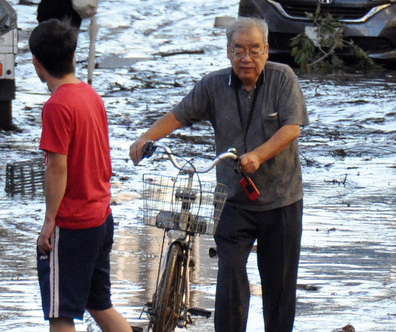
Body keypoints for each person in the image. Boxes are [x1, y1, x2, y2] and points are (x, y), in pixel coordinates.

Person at [129, 17, 309, 332]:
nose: (246, 58)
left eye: (254, 50)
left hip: (281, 200)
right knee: (230, 273)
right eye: (238, 50)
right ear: (228, 51)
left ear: (266, 51)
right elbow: (179, 115)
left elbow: (292, 128)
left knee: (279, 286)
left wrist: (258, 154)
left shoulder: (284, 79)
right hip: (232, 199)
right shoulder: (213, 85)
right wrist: (146, 138)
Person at [31, 20, 132, 332]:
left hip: (73, 224)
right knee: (99, 304)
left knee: (60, 315)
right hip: (101, 217)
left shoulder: (56, 106)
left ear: (37, 65)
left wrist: (49, 222)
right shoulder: (90, 95)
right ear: (74, 57)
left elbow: (57, 167)